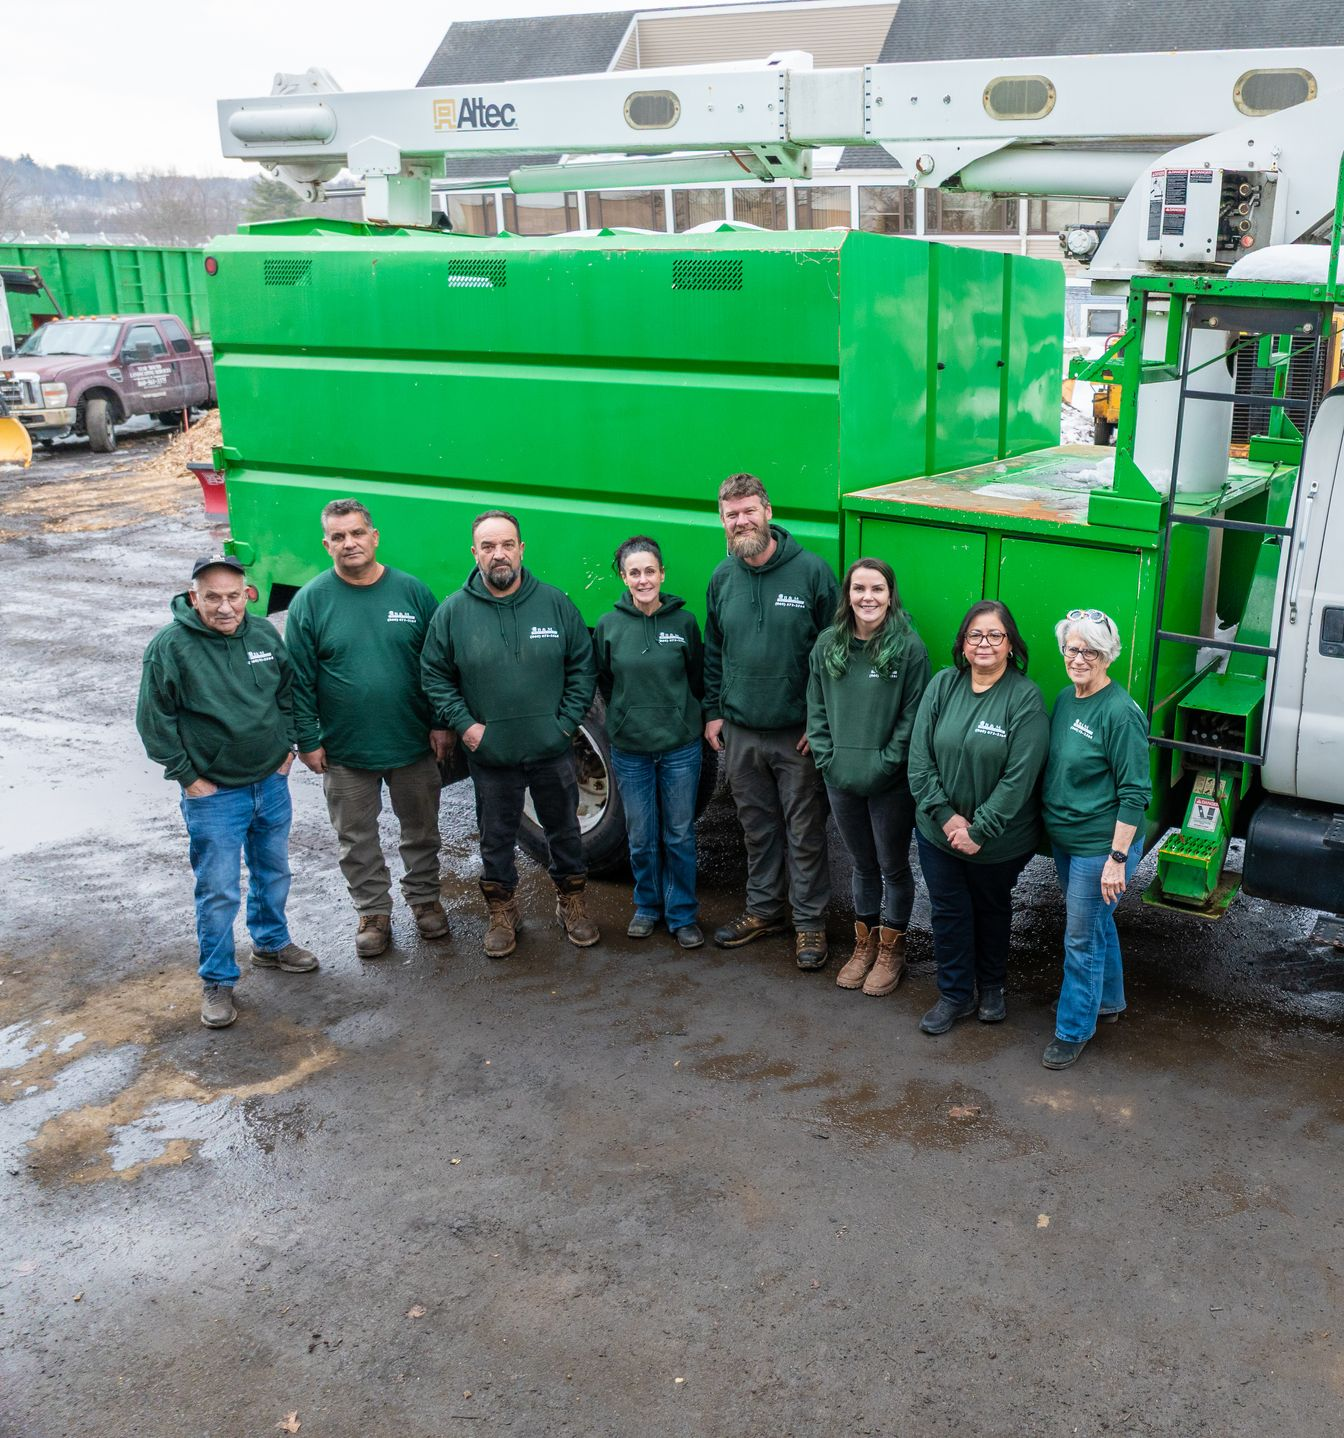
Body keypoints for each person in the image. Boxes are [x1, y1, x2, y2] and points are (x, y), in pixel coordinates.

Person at [136, 555, 316, 1030]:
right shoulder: (170, 647)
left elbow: (287, 693)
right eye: (212, 597)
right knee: (217, 890)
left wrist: (287, 750)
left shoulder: (262, 635)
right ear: (193, 597)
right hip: (214, 795)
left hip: (269, 782)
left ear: (248, 595)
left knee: (273, 870)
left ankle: (272, 944)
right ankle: (217, 980)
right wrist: (188, 777)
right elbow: (155, 721)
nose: (223, 607)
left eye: (233, 596)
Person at [420, 509, 599, 957]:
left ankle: (571, 903)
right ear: (475, 553)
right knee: (495, 836)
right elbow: (434, 676)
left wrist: (565, 723)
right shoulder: (453, 613)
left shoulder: (555, 603)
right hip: (492, 753)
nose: (498, 554)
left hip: (551, 748)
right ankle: (503, 911)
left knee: (564, 830)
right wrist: (466, 725)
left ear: (521, 549)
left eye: (506, 545)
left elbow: (582, 665)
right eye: (488, 546)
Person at [287, 499, 452, 959]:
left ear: (374, 536)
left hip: (412, 740)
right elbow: (297, 680)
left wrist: (441, 722)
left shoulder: (413, 593)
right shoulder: (310, 602)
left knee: (421, 829)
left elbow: (438, 664)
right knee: (356, 837)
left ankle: (424, 900)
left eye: (357, 533)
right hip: (344, 748)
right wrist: (309, 739)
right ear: (326, 544)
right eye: (338, 537)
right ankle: (373, 913)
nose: (349, 543)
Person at [703, 473, 839, 970]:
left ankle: (809, 925)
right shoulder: (722, 577)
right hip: (740, 733)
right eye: (731, 514)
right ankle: (764, 911)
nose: (741, 521)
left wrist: (819, 720)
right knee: (756, 828)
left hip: (795, 735)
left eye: (748, 511)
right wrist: (714, 712)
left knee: (804, 832)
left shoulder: (812, 573)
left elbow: (833, 656)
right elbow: (715, 649)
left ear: (768, 511)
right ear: (723, 520)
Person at [907, 599, 1048, 1035]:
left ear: (1010, 644)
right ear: (963, 645)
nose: (984, 643)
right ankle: (954, 994)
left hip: (999, 841)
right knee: (948, 911)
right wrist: (948, 819)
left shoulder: (1025, 697)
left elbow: (1019, 777)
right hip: (938, 833)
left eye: (995, 635)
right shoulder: (943, 685)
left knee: (991, 908)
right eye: (975, 635)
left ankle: (991, 987)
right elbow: (919, 759)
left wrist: (980, 829)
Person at [806, 558, 930, 996]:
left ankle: (891, 951)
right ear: (848, 595)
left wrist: (885, 763)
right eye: (859, 589)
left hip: (889, 783)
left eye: (877, 589)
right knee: (862, 865)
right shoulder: (827, 645)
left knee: (893, 866)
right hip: (840, 778)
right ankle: (863, 946)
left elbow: (913, 717)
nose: (867, 598)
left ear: (890, 594)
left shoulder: (908, 648)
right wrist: (828, 759)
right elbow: (816, 709)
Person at [1040, 608, 1152, 1070]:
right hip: (1069, 841)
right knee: (1096, 925)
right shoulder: (1068, 698)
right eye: (1072, 648)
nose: (1079, 658)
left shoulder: (1120, 714)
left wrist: (1117, 858)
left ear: (1108, 656)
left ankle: (1072, 1029)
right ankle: (1105, 1001)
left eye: (1090, 651)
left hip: (1100, 847)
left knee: (1080, 937)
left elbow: (1135, 793)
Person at [593, 535, 705, 949]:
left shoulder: (684, 623)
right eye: (634, 573)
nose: (643, 580)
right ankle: (647, 907)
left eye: (650, 571)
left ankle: (682, 915)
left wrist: (681, 715)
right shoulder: (609, 626)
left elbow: (696, 678)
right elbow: (605, 680)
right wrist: (624, 716)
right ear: (623, 577)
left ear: (662, 573)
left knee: (678, 834)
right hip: (630, 749)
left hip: (680, 747)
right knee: (641, 835)